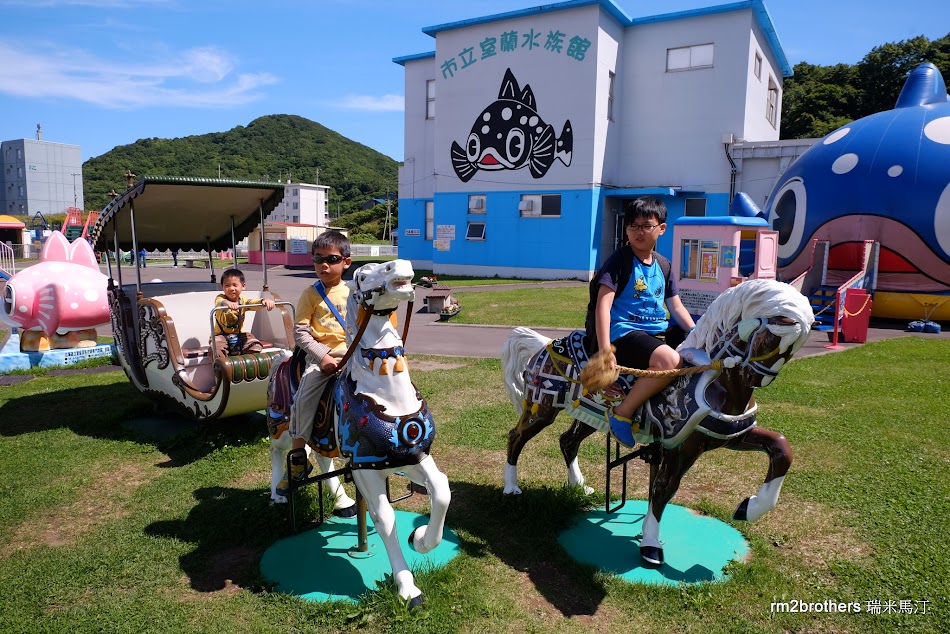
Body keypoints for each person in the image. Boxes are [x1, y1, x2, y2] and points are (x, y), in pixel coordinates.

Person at [592, 197, 696, 447]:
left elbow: (675, 305)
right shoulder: (619, 261)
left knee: (701, 350)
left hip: (655, 332)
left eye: (646, 225)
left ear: (661, 228)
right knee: (670, 361)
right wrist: (605, 351)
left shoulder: (663, 265)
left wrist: (696, 331)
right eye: (633, 225)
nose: (638, 232)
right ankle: (622, 414)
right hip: (625, 332)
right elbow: (603, 305)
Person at [276, 230, 352, 496]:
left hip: (353, 354)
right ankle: (298, 457)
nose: (324, 265)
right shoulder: (311, 294)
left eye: (331, 259)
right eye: (318, 259)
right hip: (322, 357)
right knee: (304, 397)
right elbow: (301, 333)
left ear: (346, 262)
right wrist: (324, 356)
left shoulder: (354, 293)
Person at [212, 268, 276, 358]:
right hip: (221, 335)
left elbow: (253, 303)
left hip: (239, 334)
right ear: (222, 287)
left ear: (243, 286)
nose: (231, 288)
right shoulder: (220, 298)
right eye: (227, 285)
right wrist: (228, 304)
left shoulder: (243, 301)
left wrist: (264, 301)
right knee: (216, 348)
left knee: (254, 344)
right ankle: (223, 368)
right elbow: (220, 302)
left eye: (235, 285)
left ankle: (248, 365)